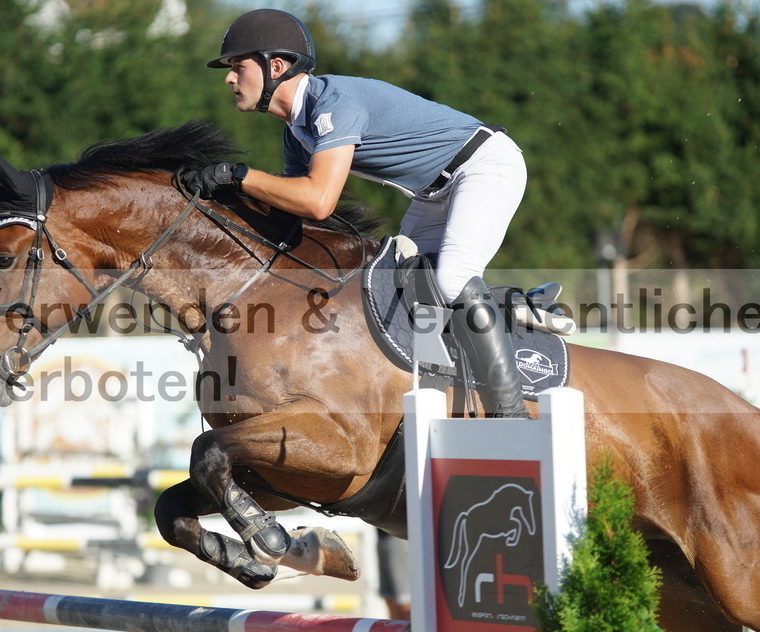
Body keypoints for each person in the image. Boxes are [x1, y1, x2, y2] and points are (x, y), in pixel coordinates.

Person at [185, 8, 528, 418]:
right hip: (435, 190)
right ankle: (497, 322)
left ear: (275, 66)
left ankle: (511, 412)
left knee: (452, 278)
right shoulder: (297, 130)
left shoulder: (334, 103)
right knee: (396, 281)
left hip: (485, 165)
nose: (228, 78)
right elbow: (296, 214)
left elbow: (318, 201)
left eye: (237, 67)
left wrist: (240, 175)